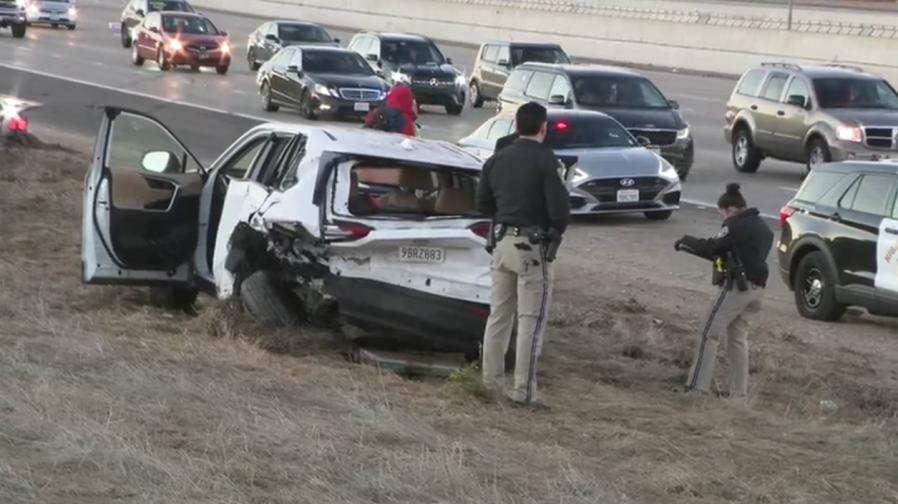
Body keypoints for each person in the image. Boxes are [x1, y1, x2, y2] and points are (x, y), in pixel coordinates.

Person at [475, 101, 571, 410]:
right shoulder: (547, 162)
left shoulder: (497, 159)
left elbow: (482, 205)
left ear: (516, 126)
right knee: (531, 319)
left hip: (501, 242)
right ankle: (523, 392)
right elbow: (560, 211)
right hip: (532, 247)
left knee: (498, 316)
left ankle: (490, 383)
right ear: (543, 127)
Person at [674, 183, 774, 398]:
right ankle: (739, 392)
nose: (722, 218)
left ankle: (696, 387)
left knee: (708, 333)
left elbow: (714, 246)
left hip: (736, 289)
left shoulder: (736, 226)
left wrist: (686, 240)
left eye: (721, 213)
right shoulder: (761, 226)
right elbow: (728, 252)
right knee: (738, 337)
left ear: (729, 209)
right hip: (757, 290)